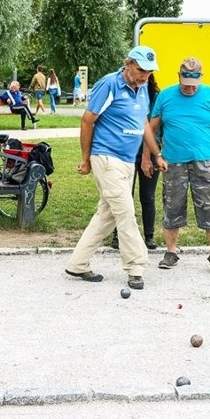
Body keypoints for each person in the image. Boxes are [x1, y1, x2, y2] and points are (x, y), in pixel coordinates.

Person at [64, 45, 166, 290]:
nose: (145, 76)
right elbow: (88, 120)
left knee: (106, 215)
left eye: (149, 72)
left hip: (127, 160)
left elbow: (143, 125)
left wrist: (156, 154)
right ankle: (136, 267)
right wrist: (86, 158)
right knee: (126, 212)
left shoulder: (142, 90)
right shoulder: (109, 84)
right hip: (106, 158)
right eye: (142, 70)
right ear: (128, 64)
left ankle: (77, 264)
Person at [149, 57, 210, 272]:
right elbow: (151, 129)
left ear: (200, 79)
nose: (189, 89)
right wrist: (145, 158)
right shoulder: (165, 95)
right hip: (172, 161)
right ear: (179, 77)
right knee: (172, 205)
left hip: (204, 160)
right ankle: (171, 251)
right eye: (185, 84)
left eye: (193, 85)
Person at [111, 72, 162, 251]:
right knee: (124, 196)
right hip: (126, 152)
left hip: (149, 152)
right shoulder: (123, 93)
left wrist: (149, 156)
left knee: (147, 196)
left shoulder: (154, 97)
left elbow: (151, 127)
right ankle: (118, 235)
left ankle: (149, 236)